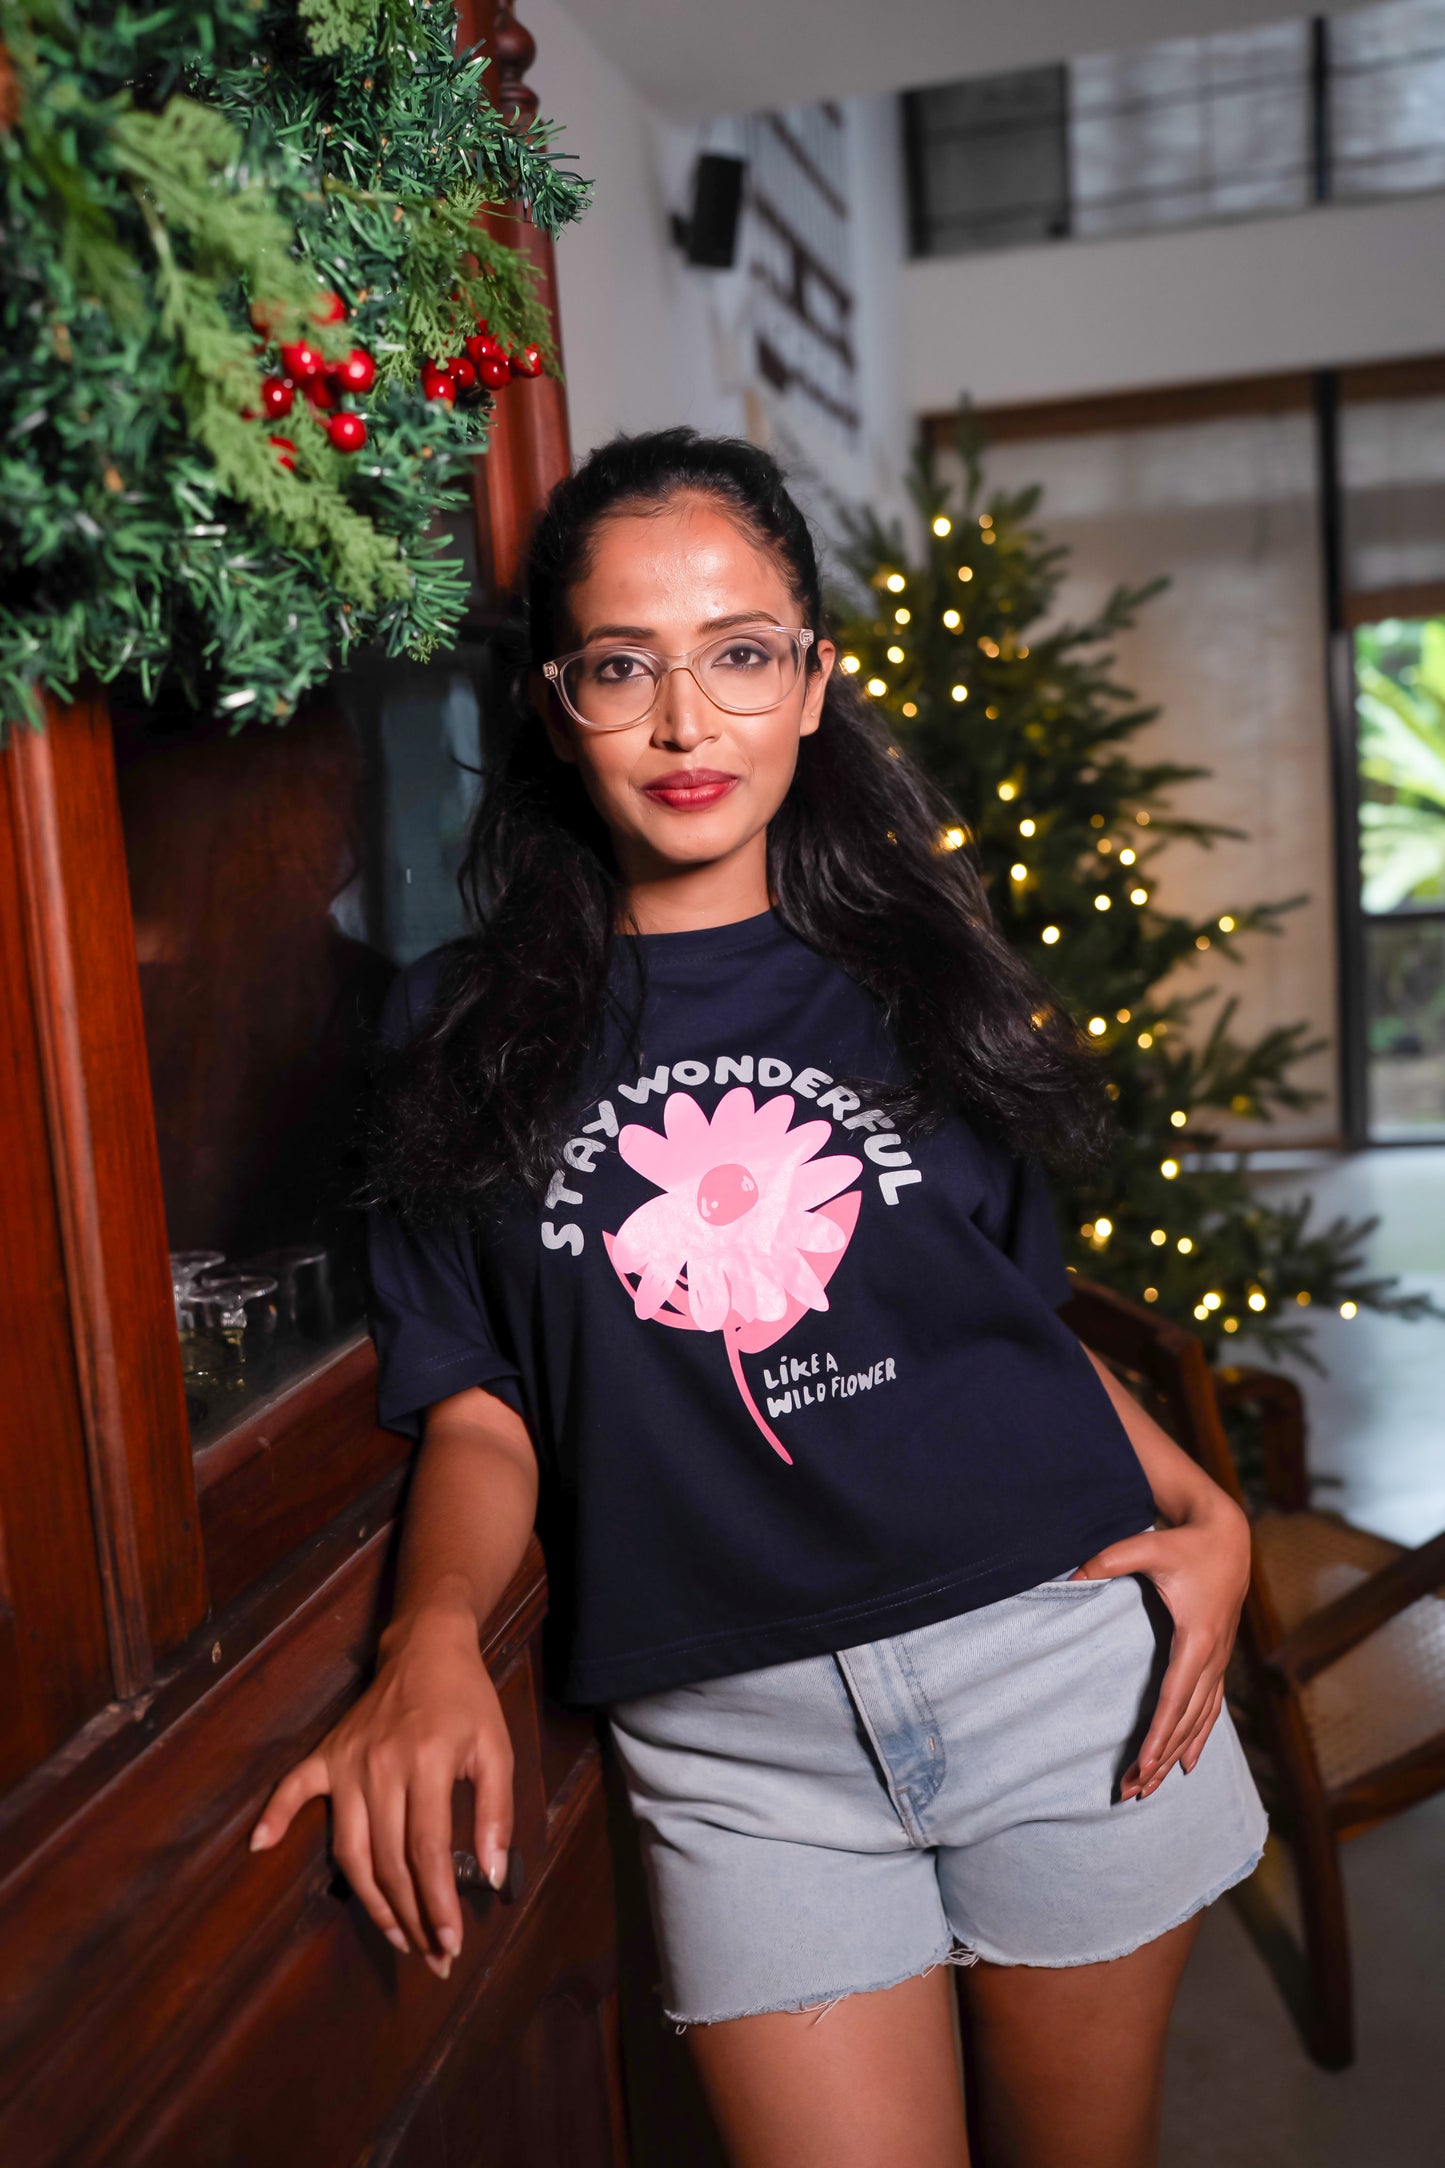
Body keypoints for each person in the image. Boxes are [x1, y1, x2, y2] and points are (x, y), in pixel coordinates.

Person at [251, 429, 1265, 2168]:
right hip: (738, 1758)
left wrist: (1200, 1504)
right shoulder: (455, 1034)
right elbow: (480, 1399)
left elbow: (1005, 1321)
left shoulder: (921, 974)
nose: (682, 722)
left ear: (809, 682)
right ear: (556, 707)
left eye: (735, 654)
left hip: (1056, 1681)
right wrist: (428, 1639)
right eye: (619, 666)